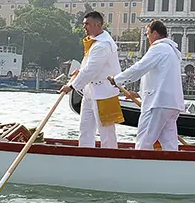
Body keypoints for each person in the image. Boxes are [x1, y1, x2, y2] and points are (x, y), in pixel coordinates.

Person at [114, 20, 184, 151]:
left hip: (157, 104)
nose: (147, 37)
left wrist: (117, 79)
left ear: (155, 34)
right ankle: (172, 167)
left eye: (147, 34)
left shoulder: (158, 48)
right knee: (170, 144)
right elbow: (162, 79)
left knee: (144, 140)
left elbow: (139, 68)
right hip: (172, 104)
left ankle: (139, 167)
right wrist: (139, 94)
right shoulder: (172, 51)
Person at [60, 11, 123, 149]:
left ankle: (110, 156)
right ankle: (85, 151)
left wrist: (71, 86)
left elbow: (92, 70)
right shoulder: (95, 43)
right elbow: (89, 66)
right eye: (84, 24)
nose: (85, 27)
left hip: (104, 93)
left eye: (87, 24)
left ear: (98, 25)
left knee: (106, 131)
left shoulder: (103, 45)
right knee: (85, 127)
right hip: (91, 91)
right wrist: (79, 71)